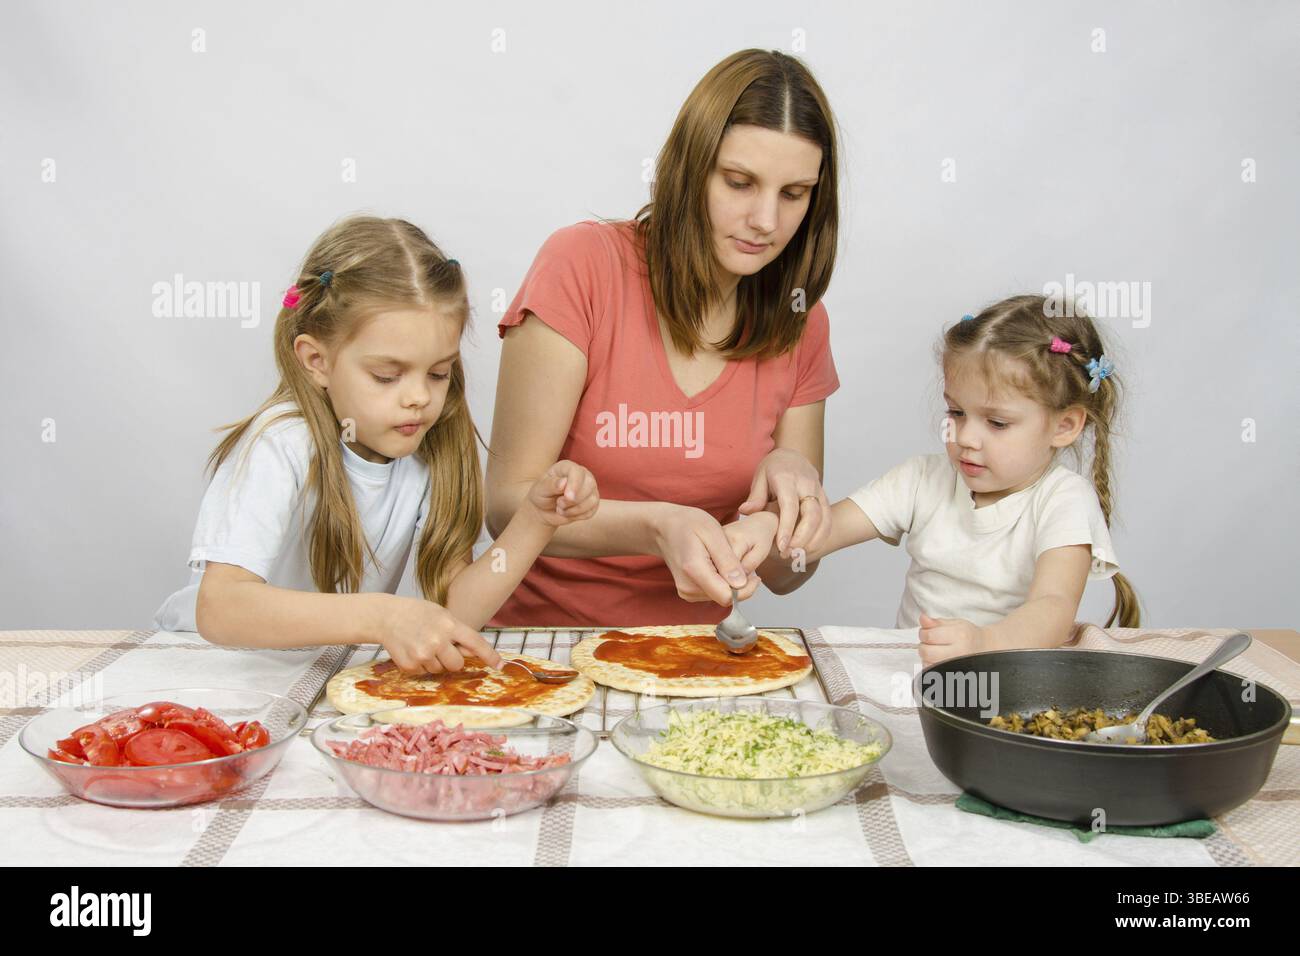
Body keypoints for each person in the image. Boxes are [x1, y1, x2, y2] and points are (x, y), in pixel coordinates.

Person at [486, 49, 843, 626]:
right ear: (688, 168)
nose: (766, 221)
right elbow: (506, 508)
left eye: (794, 193)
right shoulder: (581, 266)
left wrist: (783, 511)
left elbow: (791, 574)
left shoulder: (801, 319)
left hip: (695, 654)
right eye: (739, 183)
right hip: (543, 642)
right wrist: (657, 526)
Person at [153, 216, 599, 672]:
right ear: (317, 361)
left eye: (438, 373)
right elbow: (221, 608)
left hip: (312, 681)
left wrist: (535, 521)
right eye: (387, 376)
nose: (419, 397)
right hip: (206, 671)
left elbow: (455, 613)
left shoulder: (430, 450)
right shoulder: (281, 443)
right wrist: (382, 616)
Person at [730, 294, 1139, 665]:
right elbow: (826, 529)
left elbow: (1053, 606)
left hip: (1009, 688)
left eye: (997, 423)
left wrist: (984, 642)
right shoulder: (923, 479)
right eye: (957, 413)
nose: (966, 438)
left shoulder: (1064, 499)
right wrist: (767, 528)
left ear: (1065, 426)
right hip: (917, 682)